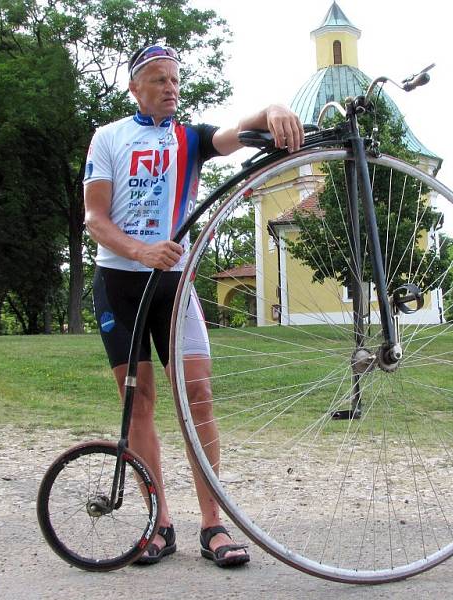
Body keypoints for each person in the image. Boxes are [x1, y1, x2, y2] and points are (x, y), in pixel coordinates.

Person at [83, 44, 304, 567]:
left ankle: (213, 525)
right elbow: (94, 218)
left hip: (175, 288)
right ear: (135, 88)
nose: (170, 87)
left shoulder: (190, 140)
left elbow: (234, 134)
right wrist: (141, 250)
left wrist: (272, 109)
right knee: (138, 402)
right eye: (158, 79)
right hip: (121, 282)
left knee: (198, 394)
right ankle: (157, 524)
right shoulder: (109, 137)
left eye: (175, 80)